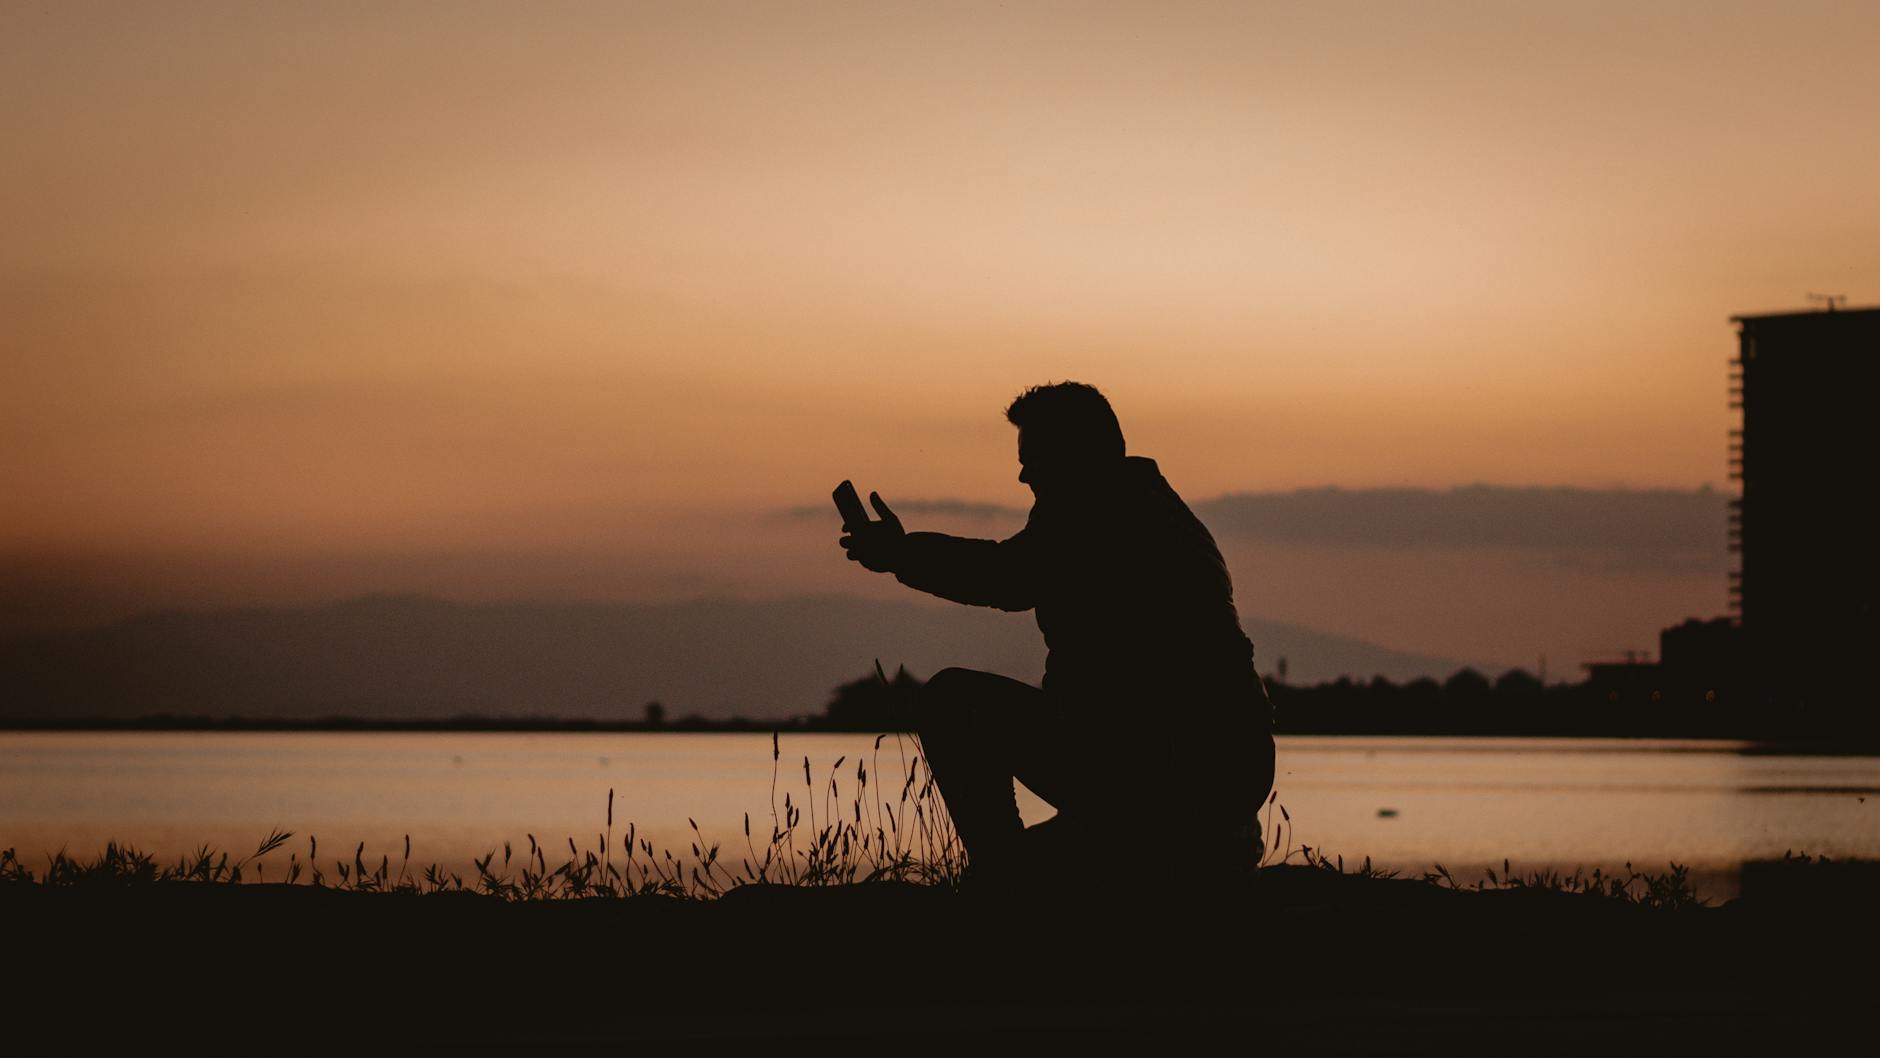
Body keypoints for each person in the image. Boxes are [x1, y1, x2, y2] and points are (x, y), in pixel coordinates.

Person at [838, 381, 1275, 893]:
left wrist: (901, 555)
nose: (1024, 474)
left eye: (1036, 456)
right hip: (1212, 775)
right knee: (1071, 849)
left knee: (954, 700)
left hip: (1161, 768)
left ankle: (1006, 879)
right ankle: (1189, 845)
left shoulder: (1103, 510)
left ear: (1082, 450)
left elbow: (1006, 575)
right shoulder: (1158, 509)